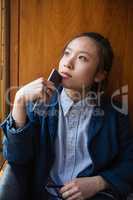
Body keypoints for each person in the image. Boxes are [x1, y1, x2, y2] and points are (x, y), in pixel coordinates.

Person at [1, 32, 133, 200]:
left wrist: (99, 182)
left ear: (100, 74)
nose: (68, 63)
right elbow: (16, 159)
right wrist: (19, 101)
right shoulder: (38, 105)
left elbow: (130, 162)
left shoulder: (115, 114)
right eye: (67, 53)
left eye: (82, 58)